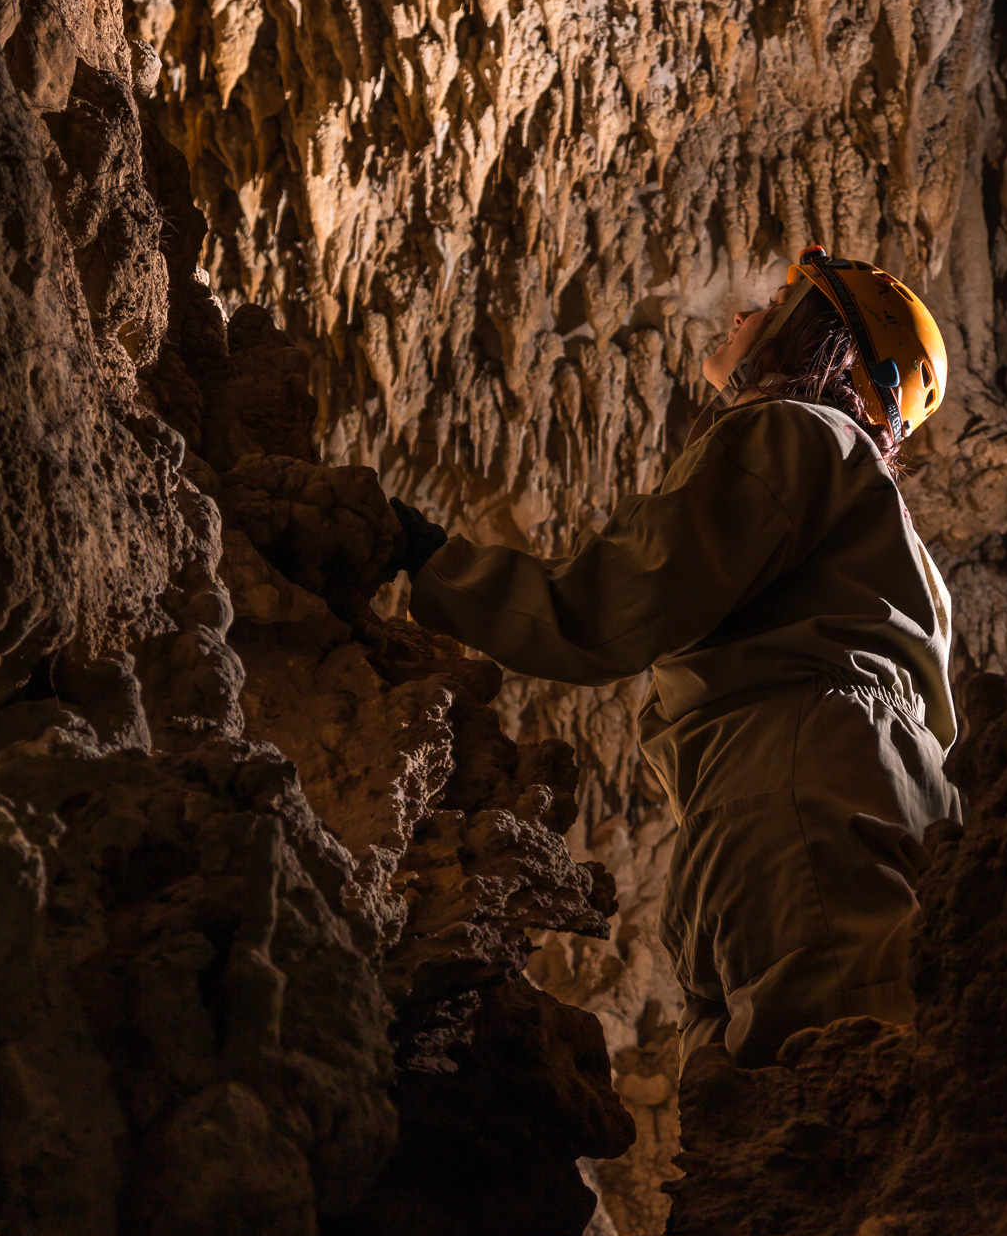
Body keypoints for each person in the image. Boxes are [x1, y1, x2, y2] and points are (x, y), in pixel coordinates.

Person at [390, 245, 961, 1068]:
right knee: (777, 1097)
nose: (745, 315)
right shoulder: (892, 538)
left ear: (824, 340)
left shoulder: (791, 432)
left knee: (815, 1076)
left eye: (778, 302)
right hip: (839, 795)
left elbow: (616, 606)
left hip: (793, 787)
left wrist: (431, 563)